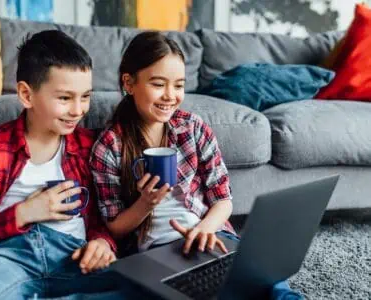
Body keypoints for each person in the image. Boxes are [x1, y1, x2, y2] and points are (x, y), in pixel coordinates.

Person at [90, 31, 302, 299]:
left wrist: (204, 229)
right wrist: (146, 203)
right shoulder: (109, 146)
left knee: (267, 284)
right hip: (154, 251)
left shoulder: (193, 128)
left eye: (178, 85)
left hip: (208, 233)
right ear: (129, 83)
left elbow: (223, 201)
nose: (170, 95)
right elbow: (115, 226)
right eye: (158, 84)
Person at [0, 30, 126, 300]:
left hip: (75, 257)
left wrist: (103, 242)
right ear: (26, 95)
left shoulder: (92, 147)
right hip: (9, 257)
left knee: (150, 289)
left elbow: (107, 218)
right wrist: (24, 213)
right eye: (64, 98)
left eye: (85, 96)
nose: (78, 110)